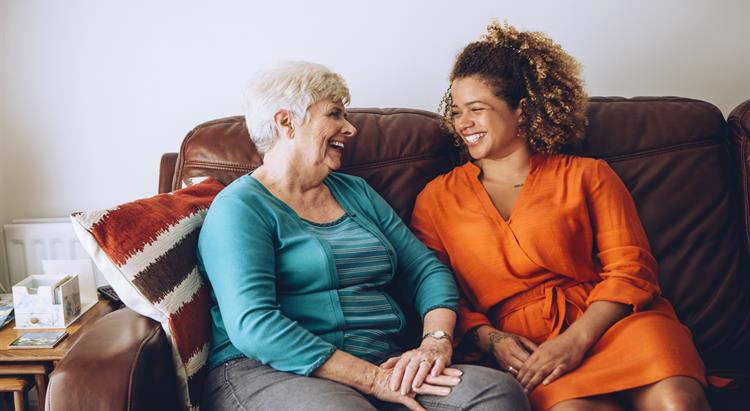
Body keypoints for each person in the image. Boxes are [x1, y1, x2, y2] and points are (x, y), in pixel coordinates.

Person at [410, 22, 710, 411]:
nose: (462, 123)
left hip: (614, 326)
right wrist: (492, 340)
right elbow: (436, 291)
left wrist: (577, 340)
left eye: (477, 109)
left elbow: (631, 270)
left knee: (678, 403)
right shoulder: (436, 200)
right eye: (456, 111)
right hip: (532, 351)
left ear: (521, 111)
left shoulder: (588, 174)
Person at [197, 61, 528, 411]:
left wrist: (435, 342)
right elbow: (255, 325)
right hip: (273, 370)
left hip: (384, 359)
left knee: (495, 393)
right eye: (335, 114)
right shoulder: (240, 208)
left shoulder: (354, 192)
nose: (349, 128)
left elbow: (425, 270)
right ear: (286, 122)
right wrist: (373, 380)